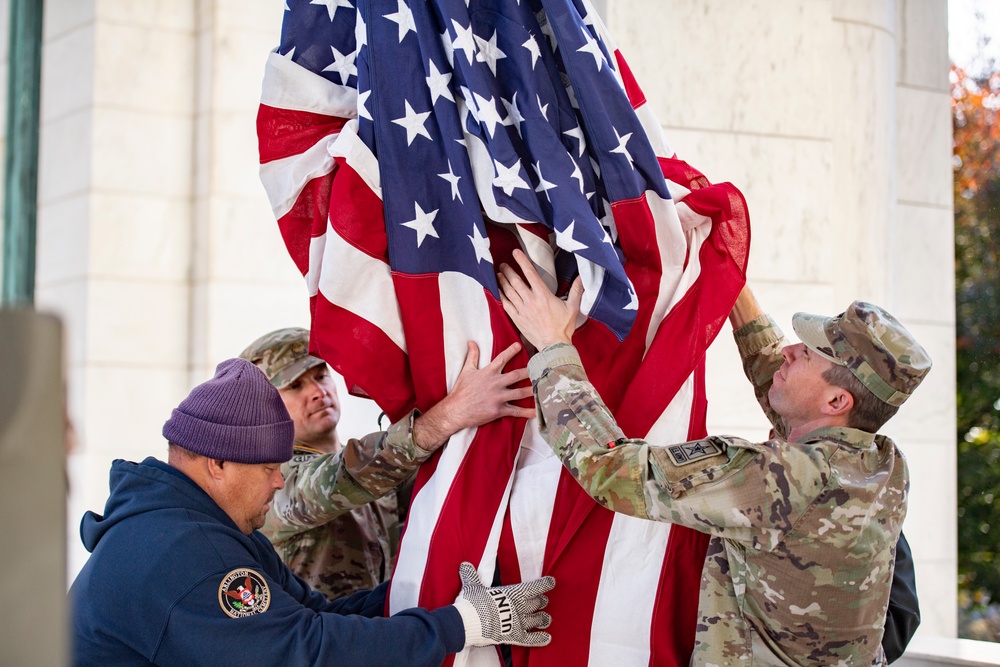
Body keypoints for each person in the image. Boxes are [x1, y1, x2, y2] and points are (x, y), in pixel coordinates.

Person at [497, 249, 931, 666]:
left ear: (837, 400)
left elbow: (611, 470)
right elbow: (783, 388)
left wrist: (553, 345)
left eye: (809, 354)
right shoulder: (883, 464)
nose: (788, 350)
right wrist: (727, 271)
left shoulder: (781, 478)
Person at [70, 358, 553, 666]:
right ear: (217, 464)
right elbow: (307, 651)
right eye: (268, 468)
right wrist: (460, 625)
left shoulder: (206, 529)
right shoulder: (181, 551)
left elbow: (316, 614)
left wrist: (431, 587)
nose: (279, 481)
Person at [240, 328, 533, 599]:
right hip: (321, 648)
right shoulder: (271, 479)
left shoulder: (375, 467)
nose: (317, 391)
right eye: (294, 386)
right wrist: (449, 414)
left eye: (320, 375)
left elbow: (435, 483)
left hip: (381, 640)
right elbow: (341, 479)